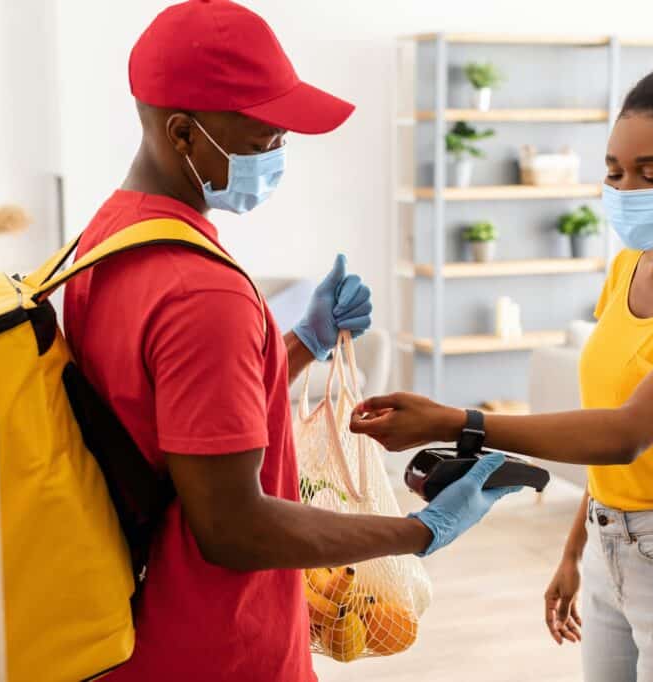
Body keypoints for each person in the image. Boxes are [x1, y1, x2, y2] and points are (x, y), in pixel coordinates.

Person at [63, 2, 516, 680]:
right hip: (222, 648)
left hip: (139, 635)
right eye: (262, 138)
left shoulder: (106, 239)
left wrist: (304, 341)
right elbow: (234, 527)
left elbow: (169, 420)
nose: (278, 155)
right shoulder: (201, 291)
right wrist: (419, 532)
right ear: (183, 133)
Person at [351, 54, 653, 682]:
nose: (627, 190)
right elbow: (603, 433)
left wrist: (459, 422)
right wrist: (577, 550)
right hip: (609, 552)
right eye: (615, 171)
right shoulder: (628, 268)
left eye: (652, 174)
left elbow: (625, 435)